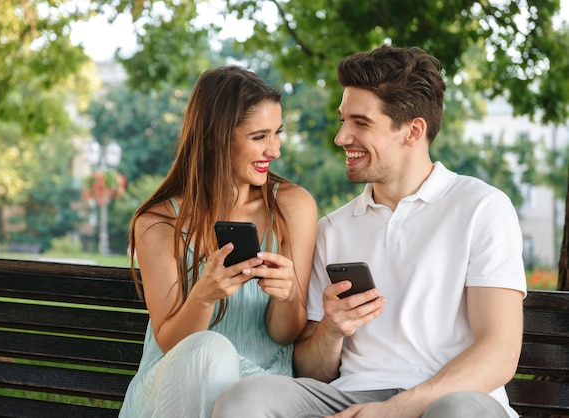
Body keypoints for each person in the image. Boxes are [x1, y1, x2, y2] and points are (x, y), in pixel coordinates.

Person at [213, 45, 527, 418]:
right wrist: (332, 329)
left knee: (459, 412)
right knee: (245, 399)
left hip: (450, 397)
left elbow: (499, 352)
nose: (342, 137)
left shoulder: (481, 207)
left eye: (360, 123)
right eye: (343, 120)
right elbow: (311, 371)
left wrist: (395, 410)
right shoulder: (333, 228)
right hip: (353, 396)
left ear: (413, 131)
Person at [118, 66, 317, 418]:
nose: (275, 150)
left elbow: (284, 334)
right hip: (176, 390)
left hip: (259, 389)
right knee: (210, 349)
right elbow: (170, 342)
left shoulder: (292, 207)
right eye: (259, 136)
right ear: (215, 137)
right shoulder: (158, 223)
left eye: (277, 134)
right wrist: (205, 294)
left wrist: (288, 296)